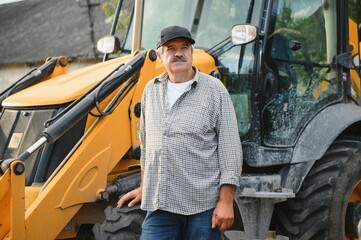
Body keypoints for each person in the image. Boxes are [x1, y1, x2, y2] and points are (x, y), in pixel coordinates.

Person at [117, 25, 242, 240]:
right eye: (171, 48)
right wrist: (146, 187)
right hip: (160, 204)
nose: (178, 53)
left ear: (192, 53)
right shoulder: (150, 90)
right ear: (160, 56)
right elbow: (148, 147)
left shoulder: (214, 90)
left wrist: (226, 201)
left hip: (202, 206)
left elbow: (230, 148)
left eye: (185, 47)